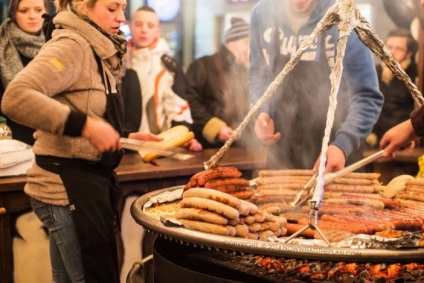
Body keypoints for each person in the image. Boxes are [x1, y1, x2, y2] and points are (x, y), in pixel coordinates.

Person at [1, 0, 161, 282]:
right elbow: (16, 97)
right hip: (66, 188)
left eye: (122, 8)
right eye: (111, 9)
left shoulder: (98, 47)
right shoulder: (71, 46)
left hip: (86, 184)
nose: (121, 17)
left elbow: (87, 108)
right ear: (84, 7)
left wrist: (125, 138)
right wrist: (84, 125)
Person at [249, 0, 383, 173]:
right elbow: (258, 74)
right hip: (282, 152)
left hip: (337, 150)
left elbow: (366, 95)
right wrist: (262, 110)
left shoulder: (345, 16)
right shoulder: (261, 14)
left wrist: (343, 144)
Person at [121, 5, 202, 151]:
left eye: (150, 25)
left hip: (157, 146)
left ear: (158, 31)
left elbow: (177, 108)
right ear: (130, 27)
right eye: (139, 24)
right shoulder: (118, 61)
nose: (144, 30)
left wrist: (181, 137)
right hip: (122, 145)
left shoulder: (168, 66)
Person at [185, 16, 257, 149]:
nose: (250, 50)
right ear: (230, 42)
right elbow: (189, 102)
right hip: (206, 148)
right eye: (247, 43)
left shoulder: (244, 71)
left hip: (240, 147)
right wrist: (216, 128)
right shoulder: (202, 66)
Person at [0, 0, 48, 145]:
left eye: (38, 10)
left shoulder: (57, 42)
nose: (32, 16)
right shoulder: (2, 44)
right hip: (11, 137)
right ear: (14, 14)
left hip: (52, 135)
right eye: (24, 11)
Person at [368, 28, 418, 148]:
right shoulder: (374, 71)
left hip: (402, 142)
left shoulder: (415, 76)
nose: (392, 52)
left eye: (399, 48)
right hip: (372, 140)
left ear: (409, 54)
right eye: (389, 47)